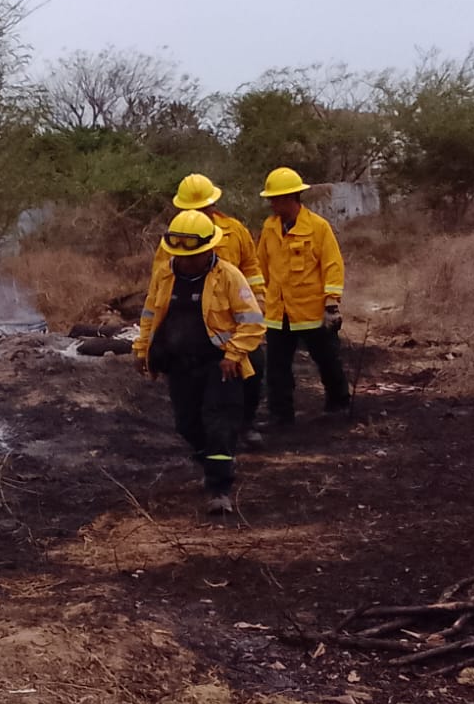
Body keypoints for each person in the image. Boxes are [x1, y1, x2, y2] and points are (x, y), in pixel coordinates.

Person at [134, 210, 266, 513]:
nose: (185, 261)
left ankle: (220, 490)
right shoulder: (164, 275)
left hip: (221, 366)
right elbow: (150, 314)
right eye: (180, 255)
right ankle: (212, 461)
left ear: (209, 249)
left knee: (219, 423)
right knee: (186, 425)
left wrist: (233, 354)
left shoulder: (229, 276)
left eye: (192, 255)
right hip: (180, 365)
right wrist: (141, 349)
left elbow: (253, 323)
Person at [154, 173, 267, 446]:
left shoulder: (234, 230)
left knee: (254, 369)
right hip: (197, 320)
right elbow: (161, 279)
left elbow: (250, 266)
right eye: (190, 210)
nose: (196, 213)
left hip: (236, 315)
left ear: (212, 205)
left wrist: (258, 299)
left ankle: (245, 423)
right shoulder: (176, 238)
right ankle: (210, 439)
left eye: (201, 208)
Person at [256, 167, 349, 425]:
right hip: (278, 312)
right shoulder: (269, 228)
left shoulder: (318, 227)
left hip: (312, 312)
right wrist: (258, 298)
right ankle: (280, 415)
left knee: (327, 359)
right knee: (276, 368)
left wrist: (332, 303)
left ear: (290, 198)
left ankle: (339, 403)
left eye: (274, 199)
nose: (271, 204)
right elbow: (261, 264)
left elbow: (332, 264)